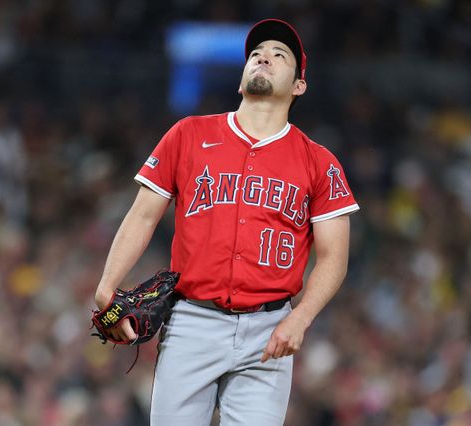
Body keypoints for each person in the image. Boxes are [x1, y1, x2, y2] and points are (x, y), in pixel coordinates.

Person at [94, 18, 359, 426]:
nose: (264, 57)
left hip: (269, 329)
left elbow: (334, 257)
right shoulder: (188, 134)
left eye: (279, 55)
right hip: (192, 321)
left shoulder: (319, 162)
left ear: (299, 86)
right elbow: (142, 216)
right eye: (256, 54)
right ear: (241, 79)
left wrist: (300, 318)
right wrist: (106, 286)